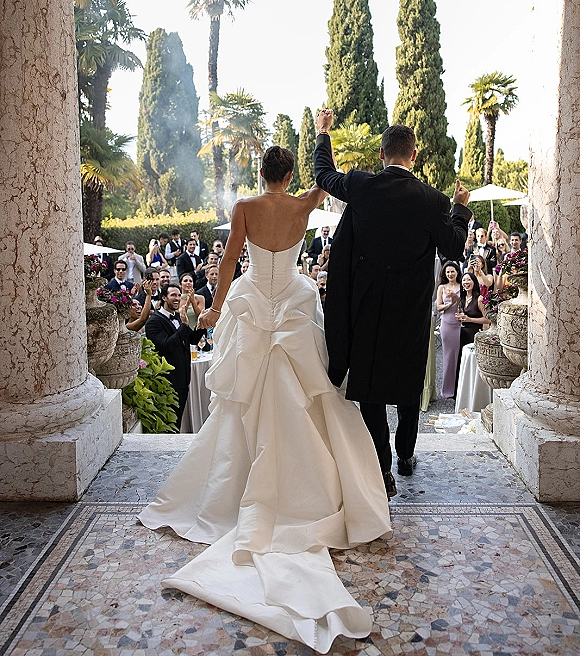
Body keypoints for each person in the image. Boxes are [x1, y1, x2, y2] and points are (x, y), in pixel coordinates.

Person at [139, 145, 392, 652]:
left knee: (238, 405)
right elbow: (330, 180)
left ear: (260, 173)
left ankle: (238, 494)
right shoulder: (303, 205)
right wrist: (324, 140)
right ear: (291, 173)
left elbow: (231, 259)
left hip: (255, 303)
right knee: (314, 399)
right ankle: (313, 490)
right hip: (293, 305)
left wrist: (213, 311)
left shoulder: (244, 209)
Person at [314, 112, 471, 497]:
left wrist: (322, 134)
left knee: (369, 390)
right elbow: (453, 246)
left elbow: (324, 175)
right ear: (413, 156)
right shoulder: (431, 200)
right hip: (411, 314)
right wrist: (460, 209)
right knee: (406, 387)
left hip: (367, 310)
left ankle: (382, 467)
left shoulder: (362, 186)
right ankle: (405, 455)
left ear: (382, 154)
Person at [144, 283, 204, 428]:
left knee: (178, 421)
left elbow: (193, 340)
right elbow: (167, 346)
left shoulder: (178, 316)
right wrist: (184, 326)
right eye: (173, 295)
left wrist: (202, 324)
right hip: (168, 382)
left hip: (183, 379)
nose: (177, 298)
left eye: (178, 295)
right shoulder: (154, 322)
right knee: (170, 422)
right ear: (164, 297)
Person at [436, 261, 462, 399]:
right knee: (447, 356)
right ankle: (447, 390)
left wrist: (455, 298)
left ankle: (458, 388)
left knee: (458, 356)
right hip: (446, 323)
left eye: (452, 271)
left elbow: (463, 303)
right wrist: (449, 304)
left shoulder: (462, 286)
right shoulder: (442, 287)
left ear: (457, 272)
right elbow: (438, 307)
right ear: (445, 274)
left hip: (459, 322)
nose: (450, 274)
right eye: (448, 272)